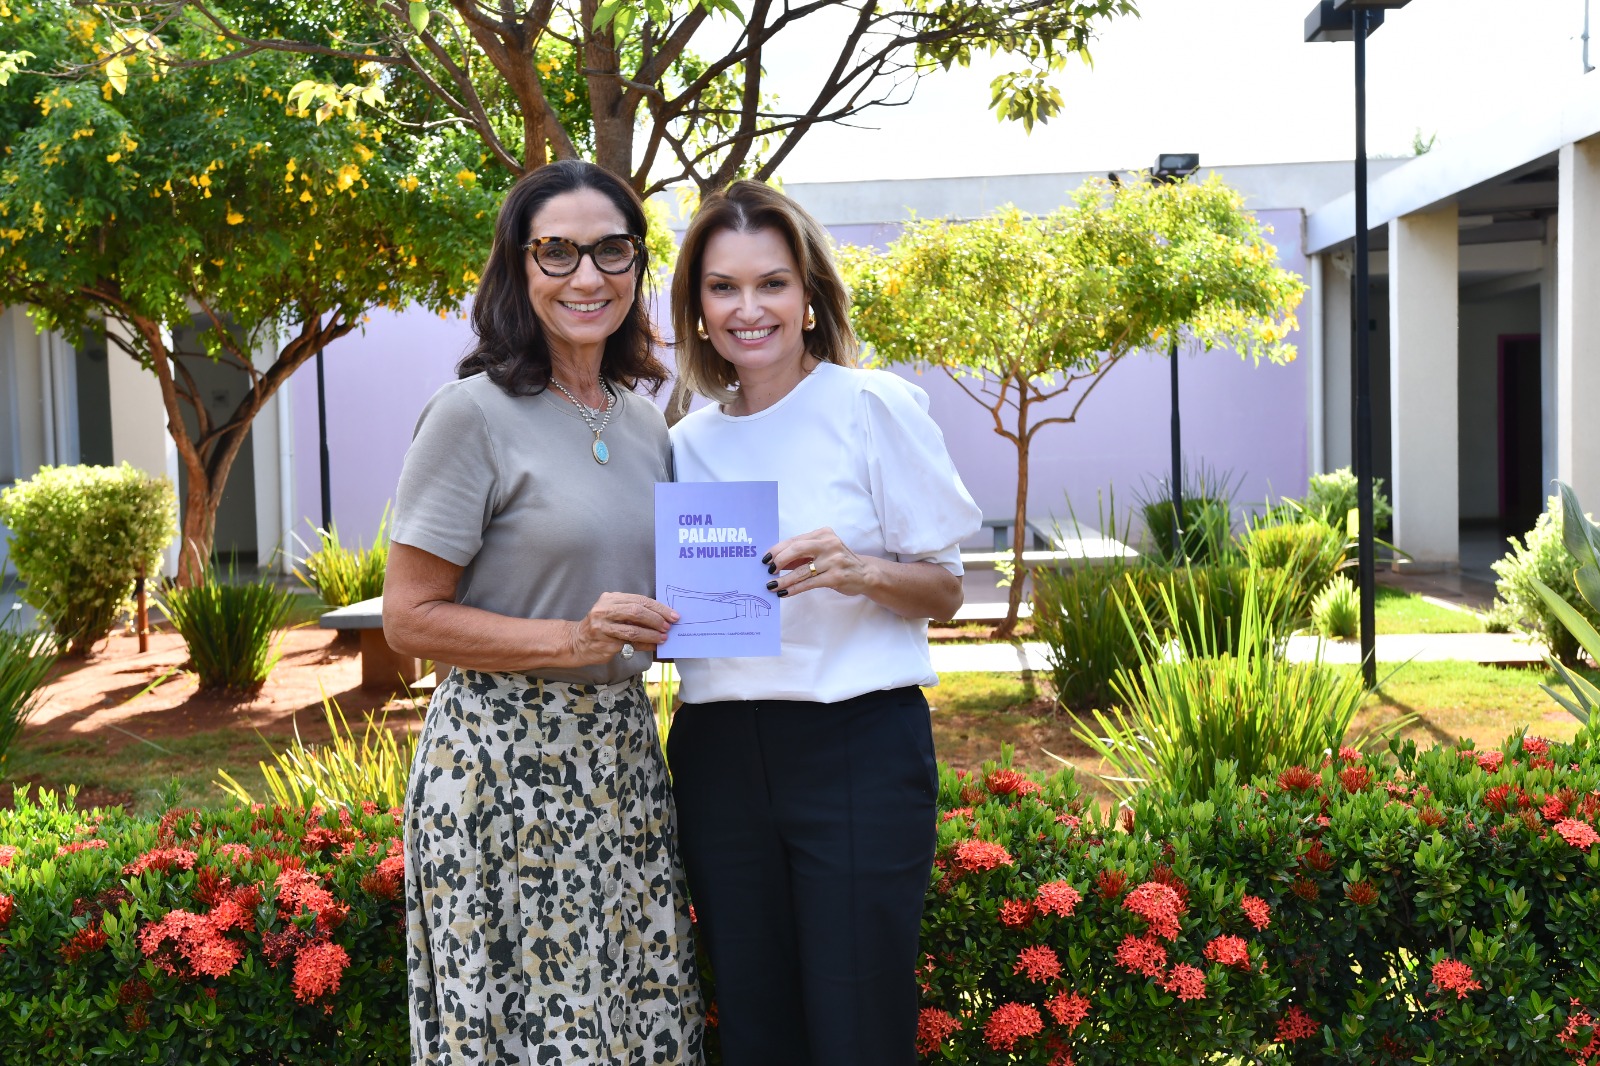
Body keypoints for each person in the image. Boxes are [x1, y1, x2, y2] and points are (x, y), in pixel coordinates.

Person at [383, 159, 703, 1065]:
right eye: (556, 252)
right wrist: (574, 638)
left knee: (635, 1021)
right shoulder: (469, 414)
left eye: (612, 251)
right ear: (518, 270)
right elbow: (410, 618)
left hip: (622, 761)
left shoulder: (646, 423)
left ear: (638, 267)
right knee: (530, 1032)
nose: (588, 276)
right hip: (501, 770)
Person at [664, 180, 982, 1065]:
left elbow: (947, 590)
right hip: (718, 754)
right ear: (696, 307)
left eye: (771, 283)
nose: (748, 307)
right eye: (723, 287)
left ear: (809, 297)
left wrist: (859, 570)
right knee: (755, 1021)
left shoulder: (870, 406)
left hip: (856, 750)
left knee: (857, 1023)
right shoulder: (685, 444)